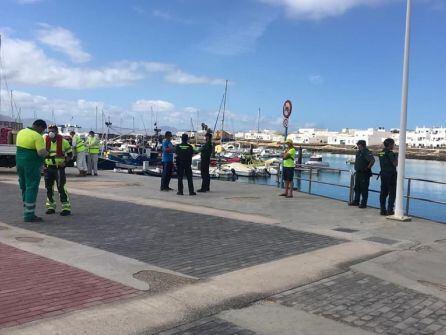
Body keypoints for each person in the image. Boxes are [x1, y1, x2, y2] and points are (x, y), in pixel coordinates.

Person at [16, 119, 48, 222]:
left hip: (19, 163)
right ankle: (29, 215)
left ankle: (26, 209)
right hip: (31, 165)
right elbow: (41, 152)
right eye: (43, 129)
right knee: (32, 187)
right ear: (40, 127)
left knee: (24, 186)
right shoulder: (37, 136)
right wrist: (47, 153)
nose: (42, 132)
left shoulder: (21, 132)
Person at [43, 125, 73, 216]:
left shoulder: (64, 142)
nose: (50, 133)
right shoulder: (44, 141)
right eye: (49, 131)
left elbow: (70, 155)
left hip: (59, 168)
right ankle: (50, 206)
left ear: (57, 132)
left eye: (52, 131)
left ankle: (66, 207)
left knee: (61, 187)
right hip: (48, 168)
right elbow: (41, 154)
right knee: (49, 188)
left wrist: (65, 162)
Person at [350, 140, 375, 208]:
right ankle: (356, 201)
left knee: (364, 189)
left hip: (364, 173)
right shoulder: (359, 152)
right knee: (357, 188)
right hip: (358, 173)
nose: (357, 145)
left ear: (361, 145)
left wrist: (367, 168)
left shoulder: (366, 152)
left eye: (358, 144)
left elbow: (372, 160)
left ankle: (363, 203)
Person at [378, 138, 398, 216]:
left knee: (383, 193)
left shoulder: (381, 153)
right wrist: (396, 157)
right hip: (391, 175)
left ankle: (382, 210)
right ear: (390, 145)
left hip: (383, 175)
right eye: (393, 144)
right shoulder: (390, 153)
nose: (393, 145)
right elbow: (395, 164)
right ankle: (390, 210)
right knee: (392, 193)